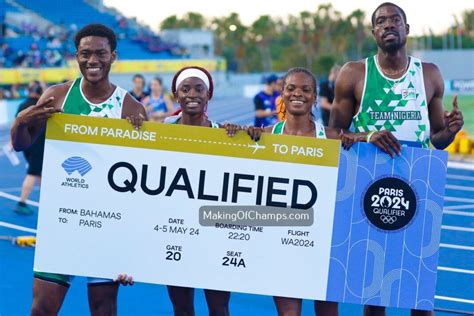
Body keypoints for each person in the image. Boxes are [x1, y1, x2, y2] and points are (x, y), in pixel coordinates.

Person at [329, 3, 464, 316]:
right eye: (381, 21)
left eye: (395, 20)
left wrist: (452, 132)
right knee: (375, 292)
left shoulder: (428, 74)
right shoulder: (354, 74)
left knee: (419, 292)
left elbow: (437, 140)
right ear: (373, 32)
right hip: (368, 188)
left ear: (407, 28)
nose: (388, 24)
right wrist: (367, 136)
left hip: (416, 188)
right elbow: (333, 132)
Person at [10, 23, 144, 316]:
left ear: (113, 56)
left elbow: (142, 179)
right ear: (76, 56)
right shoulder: (57, 96)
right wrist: (21, 121)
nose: (92, 60)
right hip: (61, 222)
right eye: (85, 54)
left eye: (100, 53)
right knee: (42, 309)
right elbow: (21, 145)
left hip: (108, 225)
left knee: (103, 309)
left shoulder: (130, 108)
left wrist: (133, 248)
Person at [246, 67, 365, 316]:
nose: (297, 93)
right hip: (280, 244)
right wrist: (236, 134)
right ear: (282, 94)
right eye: (291, 88)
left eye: (305, 89)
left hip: (323, 244)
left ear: (314, 96)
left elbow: (369, 148)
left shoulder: (333, 137)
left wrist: (370, 136)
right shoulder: (263, 137)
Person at [164, 65, 240, 316]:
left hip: (214, 235)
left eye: (199, 89)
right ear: (176, 95)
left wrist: (249, 136)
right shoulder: (160, 133)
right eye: (185, 89)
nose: (192, 94)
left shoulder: (226, 135)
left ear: (209, 95)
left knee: (219, 309)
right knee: (182, 308)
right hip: (175, 232)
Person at [13, 81, 46, 215]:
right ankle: (22, 202)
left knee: (40, 173)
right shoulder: (38, 106)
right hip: (37, 144)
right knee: (33, 173)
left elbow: (15, 124)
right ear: (39, 92)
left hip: (26, 144)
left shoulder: (23, 104)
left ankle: (48, 199)